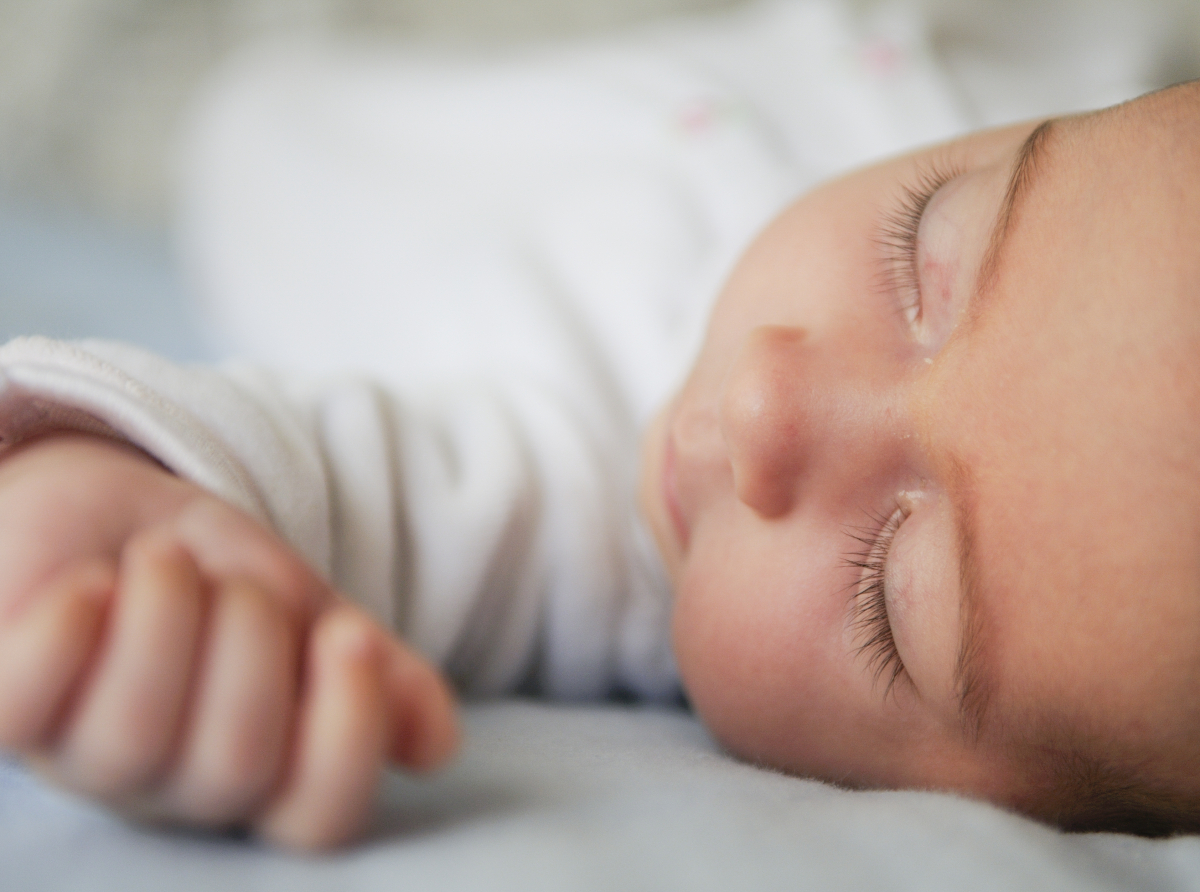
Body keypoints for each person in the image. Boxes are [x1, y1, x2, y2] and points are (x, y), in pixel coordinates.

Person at [0, 42, 1197, 848]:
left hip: (219, 90)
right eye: (919, 252)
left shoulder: (571, 494)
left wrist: (95, 521)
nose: (773, 404)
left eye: (893, 592)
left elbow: (345, 485)